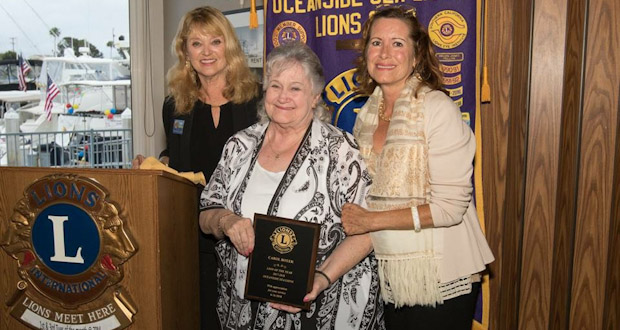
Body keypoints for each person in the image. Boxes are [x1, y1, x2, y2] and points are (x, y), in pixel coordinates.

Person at [199, 42, 384, 330]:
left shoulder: (340, 151)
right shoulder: (240, 145)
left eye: (295, 88)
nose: (283, 97)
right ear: (265, 92)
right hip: (242, 311)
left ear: (314, 97)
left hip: (322, 310)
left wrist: (322, 278)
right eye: (275, 86)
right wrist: (226, 220)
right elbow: (207, 212)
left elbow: (368, 231)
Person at [340, 6, 495, 329]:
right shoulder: (367, 113)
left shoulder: (437, 109)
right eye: (376, 42)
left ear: (416, 55)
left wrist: (370, 220)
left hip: (441, 276)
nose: (385, 53)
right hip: (391, 274)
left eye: (397, 44)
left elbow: (450, 208)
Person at [132, 6, 260, 329]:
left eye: (215, 42)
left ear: (228, 46)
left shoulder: (257, 99)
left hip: (247, 233)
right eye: (196, 43)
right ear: (185, 51)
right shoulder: (174, 105)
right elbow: (177, 159)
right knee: (200, 317)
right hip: (193, 234)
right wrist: (155, 165)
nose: (206, 52)